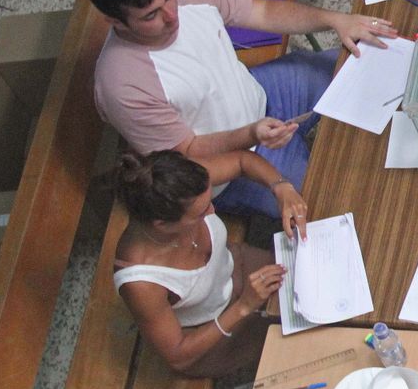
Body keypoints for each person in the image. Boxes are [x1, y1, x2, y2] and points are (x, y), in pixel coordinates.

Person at [82, 0, 397, 218]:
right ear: (113, 21)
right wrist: (251, 133)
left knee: (369, 63)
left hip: (263, 95)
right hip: (230, 167)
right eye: (151, 16)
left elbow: (259, 12)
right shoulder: (121, 86)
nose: (171, 15)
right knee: (336, 207)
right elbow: (188, 153)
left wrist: (334, 20)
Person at [111, 148, 311, 377]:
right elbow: (178, 355)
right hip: (211, 334)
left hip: (237, 267)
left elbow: (241, 160)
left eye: (208, 202)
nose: (212, 210)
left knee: (314, 285)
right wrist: (244, 306)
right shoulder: (141, 283)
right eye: (200, 213)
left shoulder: (183, 184)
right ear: (162, 224)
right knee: (306, 342)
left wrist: (281, 187)